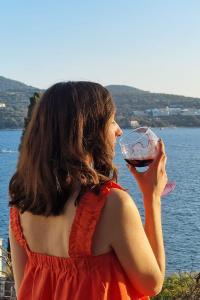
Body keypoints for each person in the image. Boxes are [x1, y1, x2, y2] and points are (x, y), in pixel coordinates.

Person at [8, 81, 167, 299]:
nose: (119, 130)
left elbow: (24, 288)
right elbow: (152, 284)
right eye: (111, 121)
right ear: (88, 130)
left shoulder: (21, 203)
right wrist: (152, 198)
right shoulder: (111, 204)